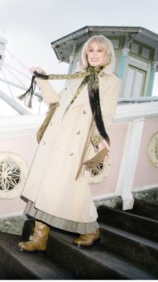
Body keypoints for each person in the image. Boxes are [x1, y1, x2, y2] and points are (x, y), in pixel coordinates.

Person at [17, 35, 121, 252]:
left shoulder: (112, 81)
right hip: (56, 138)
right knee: (44, 187)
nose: (93, 54)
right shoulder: (76, 76)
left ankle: (92, 230)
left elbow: (106, 115)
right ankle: (39, 238)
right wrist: (42, 79)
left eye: (99, 51)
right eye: (90, 50)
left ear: (107, 54)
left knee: (76, 189)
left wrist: (98, 142)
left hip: (78, 141)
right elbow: (56, 102)